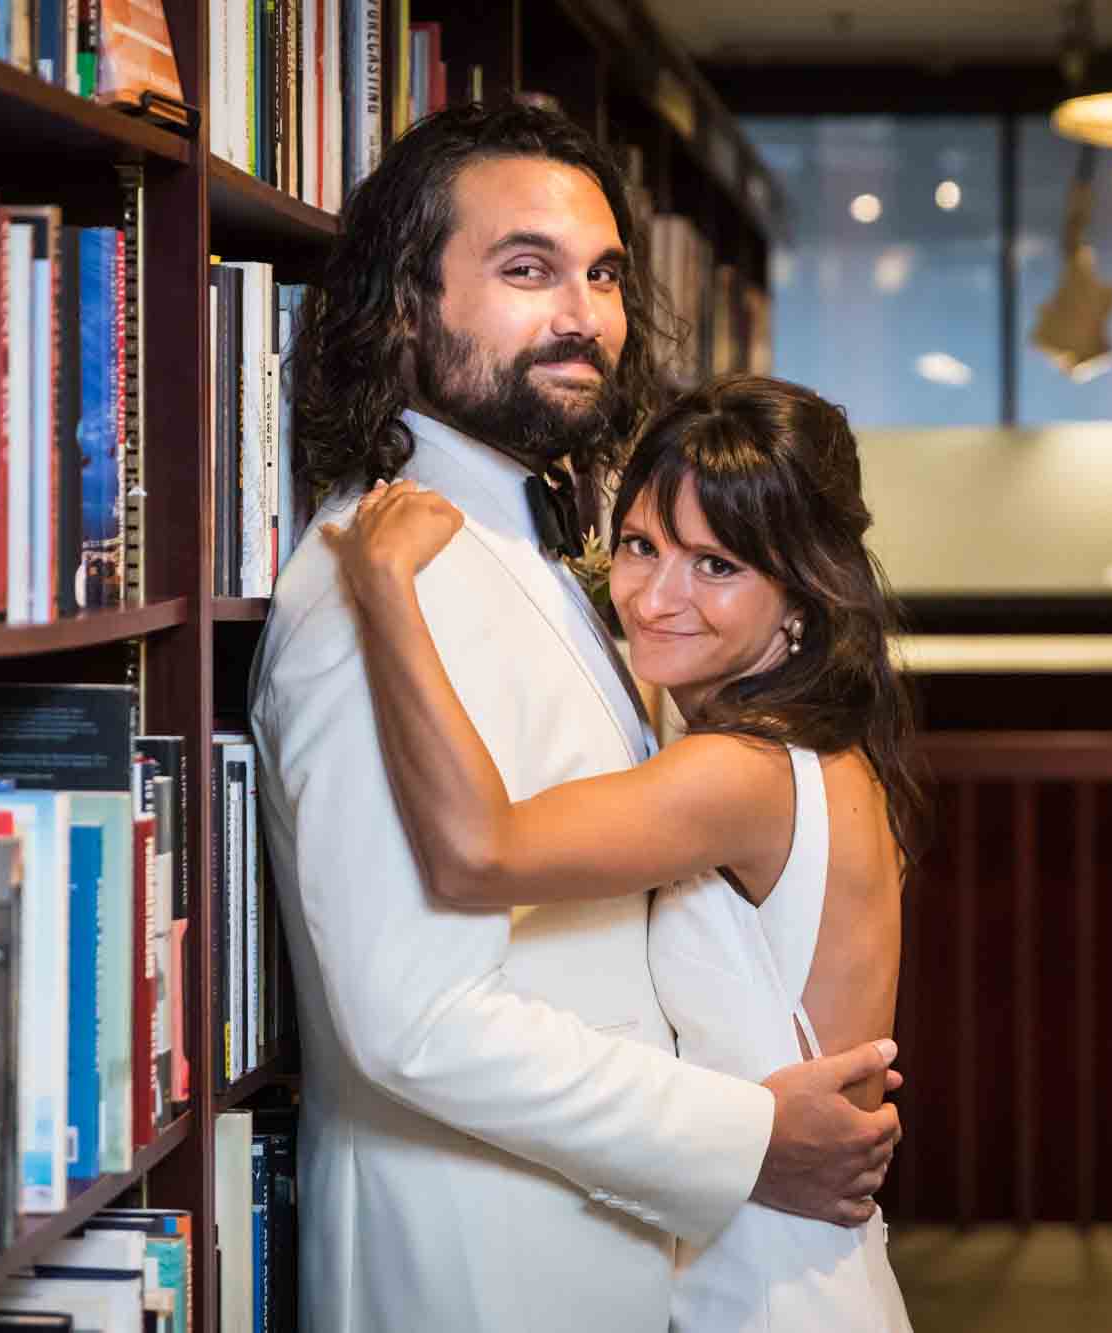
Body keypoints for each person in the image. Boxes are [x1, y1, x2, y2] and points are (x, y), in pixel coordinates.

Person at [249, 102, 905, 1333]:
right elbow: (411, 1018)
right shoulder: (369, 583)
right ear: (403, 304)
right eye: (525, 268)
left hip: (621, 1248)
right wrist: (748, 1135)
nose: (583, 314)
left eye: (602, 274)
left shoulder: (553, 547)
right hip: (478, 1262)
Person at [324, 374, 921, 1331]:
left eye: (716, 566)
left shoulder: (743, 773)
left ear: (803, 595)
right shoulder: (806, 747)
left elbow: (477, 851)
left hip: (770, 1295)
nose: (655, 598)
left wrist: (386, 588)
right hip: (770, 1268)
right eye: (643, 546)